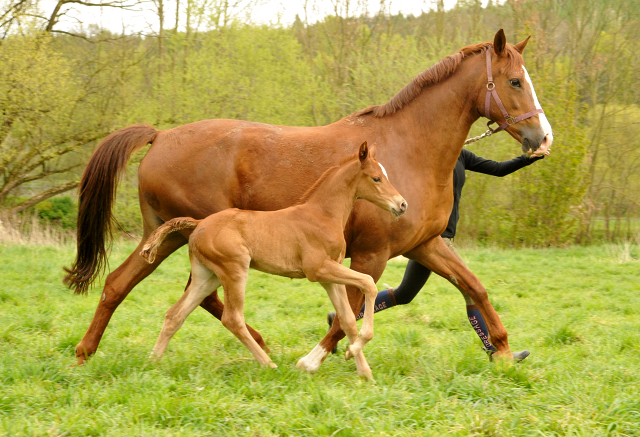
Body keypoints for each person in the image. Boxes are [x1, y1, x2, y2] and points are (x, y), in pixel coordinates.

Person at [328, 147, 550, 360]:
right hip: (434, 238)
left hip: (438, 238)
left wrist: (529, 158)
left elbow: (498, 169)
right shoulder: (424, 156)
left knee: (405, 294)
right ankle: (495, 351)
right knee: (471, 290)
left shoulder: (461, 155)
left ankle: (342, 318)